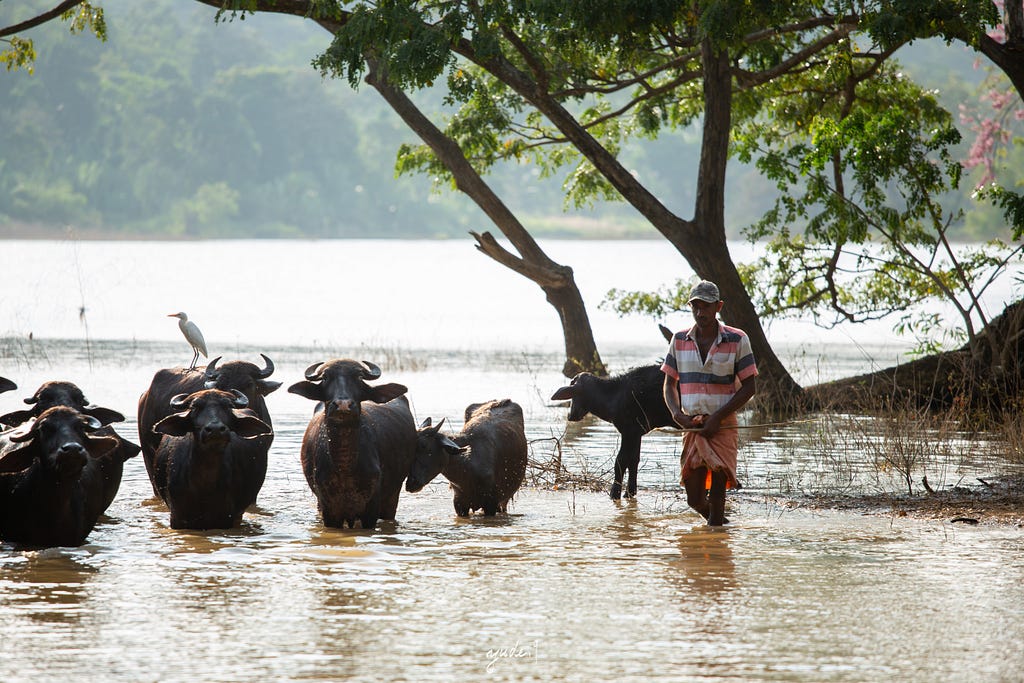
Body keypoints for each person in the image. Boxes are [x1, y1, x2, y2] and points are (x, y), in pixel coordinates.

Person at [661, 280, 757, 526]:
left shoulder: (737, 339)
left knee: (717, 494)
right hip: (693, 426)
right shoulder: (679, 339)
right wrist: (677, 415)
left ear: (718, 307)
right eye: (695, 306)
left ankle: (717, 548)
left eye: (706, 306)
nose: (700, 312)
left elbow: (749, 387)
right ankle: (721, 529)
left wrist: (717, 417)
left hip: (721, 425)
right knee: (693, 498)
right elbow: (669, 384)